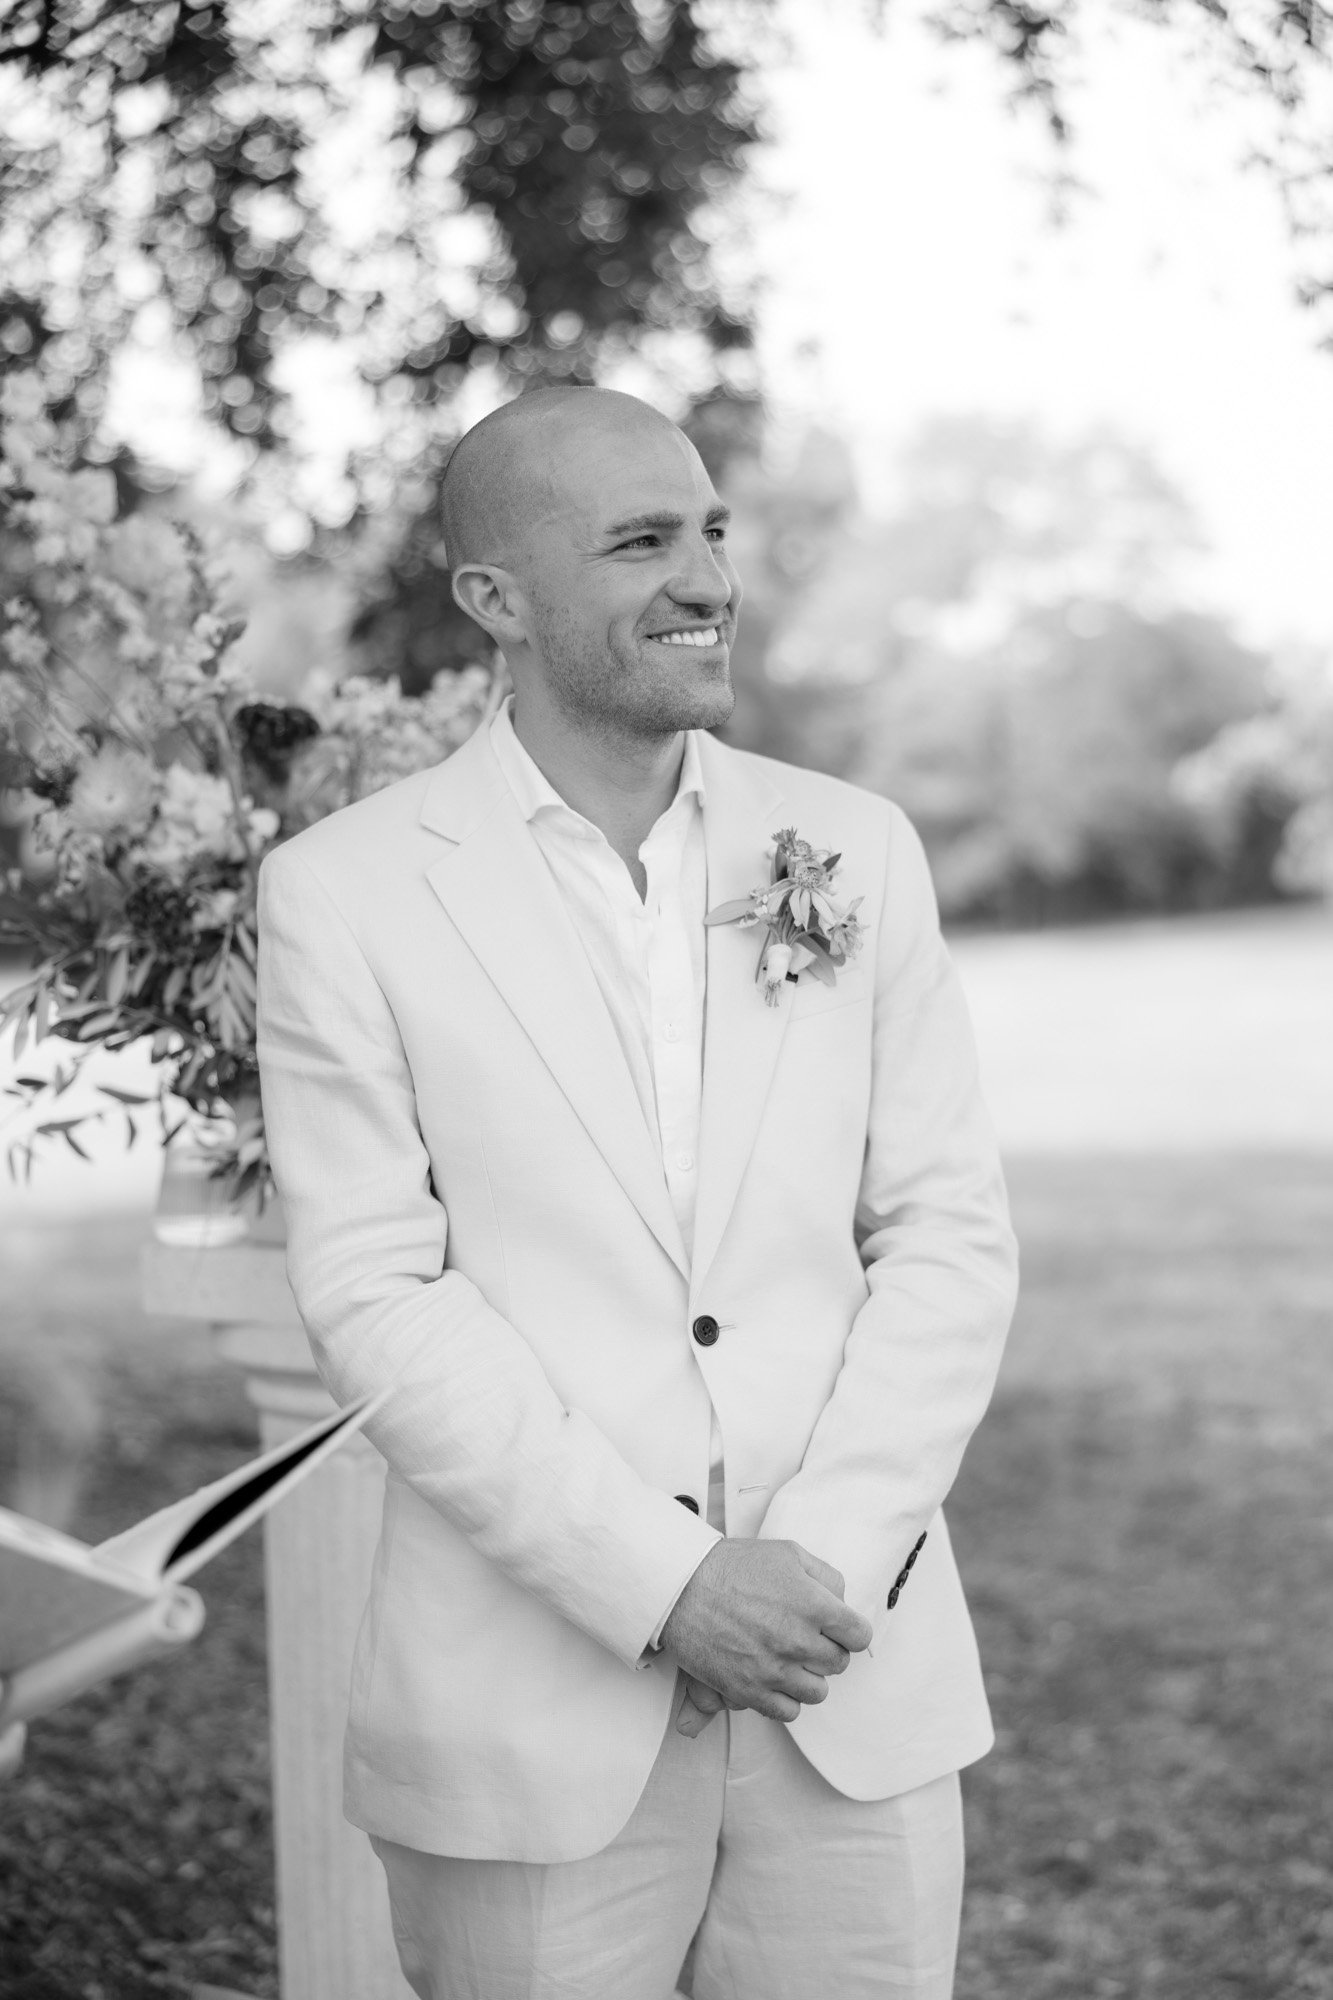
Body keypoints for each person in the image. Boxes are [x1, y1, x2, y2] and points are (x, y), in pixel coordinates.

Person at [255, 386, 1019, 2000]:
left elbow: (945, 1234)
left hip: (846, 1688)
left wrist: (809, 1567)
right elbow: (375, 1292)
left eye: (712, 531)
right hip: (527, 1712)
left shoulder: (848, 849)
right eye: (641, 541)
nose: (708, 578)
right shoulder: (345, 896)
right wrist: (665, 1587)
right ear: (495, 601)